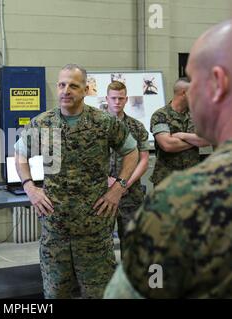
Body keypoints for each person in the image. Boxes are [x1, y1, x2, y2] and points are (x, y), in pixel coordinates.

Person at [104, 19, 232, 299]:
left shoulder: (178, 204)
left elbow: (150, 285)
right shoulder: (158, 116)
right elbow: (167, 144)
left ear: (219, 83)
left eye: (194, 81)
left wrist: (182, 136)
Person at [14, 64, 139, 299]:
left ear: (85, 89)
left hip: (95, 229)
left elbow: (132, 152)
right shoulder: (43, 123)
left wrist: (118, 188)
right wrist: (29, 187)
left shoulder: (103, 123)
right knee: (56, 294)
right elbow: (20, 155)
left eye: (73, 85)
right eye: (62, 84)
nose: (66, 90)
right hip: (55, 230)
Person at [105, 81, 150, 256]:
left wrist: (124, 184)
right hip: (103, 193)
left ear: (126, 100)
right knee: (100, 243)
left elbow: (144, 160)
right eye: (113, 98)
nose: (117, 102)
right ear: (107, 99)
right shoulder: (95, 126)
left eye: (121, 98)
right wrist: (105, 180)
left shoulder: (137, 127)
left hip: (130, 194)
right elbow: (85, 160)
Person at [149, 77, 210, 186]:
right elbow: (167, 145)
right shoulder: (160, 115)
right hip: (166, 182)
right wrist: (195, 140)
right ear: (184, 93)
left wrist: (182, 135)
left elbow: (207, 140)